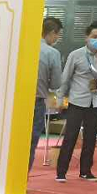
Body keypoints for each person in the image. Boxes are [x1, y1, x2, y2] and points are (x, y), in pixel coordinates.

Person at [55, 21, 97, 183]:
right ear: (87, 37)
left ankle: (85, 171)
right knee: (70, 137)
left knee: (90, 138)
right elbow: (65, 78)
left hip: (96, 103)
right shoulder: (76, 55)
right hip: (77, 101)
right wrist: (60, 99)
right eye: (95, 36)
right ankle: (61, 172)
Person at [32, 17, 63, 171]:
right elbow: (55, 84)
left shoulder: (25, 47)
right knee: (31, 142)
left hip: (15, 100)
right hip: (37, 101)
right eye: (57, 35)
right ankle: (22, 177)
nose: (57, 38)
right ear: (51, 33)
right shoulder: (52, 53)